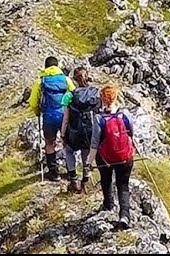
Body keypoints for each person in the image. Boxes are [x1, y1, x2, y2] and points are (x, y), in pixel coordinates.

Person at [93, 85, 135, 229]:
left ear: (102, 99)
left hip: (106, 158)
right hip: (125, 156)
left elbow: (95, 142)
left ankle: (108, 204)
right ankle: (124, 216)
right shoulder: (125, 115)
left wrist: (88, 162)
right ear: (116, 97)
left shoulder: (99, 118)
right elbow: (131, 133)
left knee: (106, 179)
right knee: (123, 185)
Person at [28, 56, 75, 181]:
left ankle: (54, 173)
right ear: (57, 66)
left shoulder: (41, 81)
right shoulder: (66, 80)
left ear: (46, 67)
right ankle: (71, 172)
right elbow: (74, 94)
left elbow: (33, 101)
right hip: (64, 116)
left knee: (50, 143)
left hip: (49, 117)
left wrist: (37, 111)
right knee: (67, 143)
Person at [60, 66, 99, 193]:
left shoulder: (69, 95)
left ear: (74, 80)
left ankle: (73, 179)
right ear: (88, 77)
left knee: (69, 151)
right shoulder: (95, 93)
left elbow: (65, 119)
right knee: (85, 153)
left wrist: (63, 134)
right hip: (90, 131)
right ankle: (85, 181)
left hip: (75, 131)